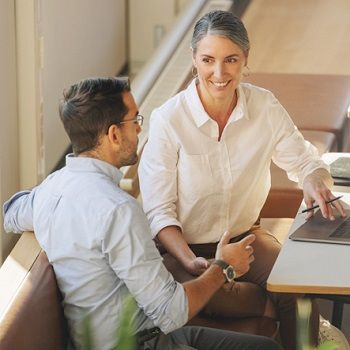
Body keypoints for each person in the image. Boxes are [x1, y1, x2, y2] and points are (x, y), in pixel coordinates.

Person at [3, 77, 282, 350]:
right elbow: (170, 312)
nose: (139, 130)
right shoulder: (119, 210)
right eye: (135, 120)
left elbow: (11, 213)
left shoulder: (51, 190)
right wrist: (223, 268)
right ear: (113, 135)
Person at [138, 10, 346, 350]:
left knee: (297, 287)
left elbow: (305, 159)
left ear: (245, 59)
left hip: (247, 240)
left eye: (230, 59)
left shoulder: (264, 106)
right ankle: (271, 304)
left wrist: (312, 179)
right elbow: (159, 213)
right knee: (231, 295)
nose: (218, 73)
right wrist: (196, 262)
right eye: (207, 60)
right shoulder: (168, 121)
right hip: (185, 253)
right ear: (193, 60)